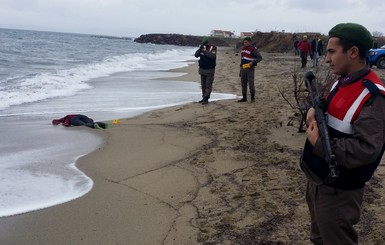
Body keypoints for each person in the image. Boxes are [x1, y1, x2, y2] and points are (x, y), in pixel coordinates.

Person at [301, 23, 385, 244]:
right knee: (319, 238)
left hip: (339, 192)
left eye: (331, 51)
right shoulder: (342, 81)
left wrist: (319, 143)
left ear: (353, 52)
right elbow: (331, 112)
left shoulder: (374, 97)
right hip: (319, 180)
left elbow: (367, 149)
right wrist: (312, 109)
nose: (327, 58)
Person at [238, 36, 263, 103]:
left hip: (250, 68)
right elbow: (242, 59)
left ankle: (252, 98)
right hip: (243, 68)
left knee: (251, 83)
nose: (244, 43)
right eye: (244, 42)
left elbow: (260, 58)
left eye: (246, 42)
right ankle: (244, 98)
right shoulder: (243, 49)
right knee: (243, 83)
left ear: (249, 42)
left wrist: (253, 62)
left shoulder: (253, 49)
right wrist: (241, 68)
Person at [194, 36, 217, 105]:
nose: (204, 44)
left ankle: (206, 98)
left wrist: (205, 51)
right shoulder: (201, 48)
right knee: (203, 85)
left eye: (205, 43)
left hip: (210, 69)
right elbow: (196, 55)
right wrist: (200, 49)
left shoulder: (213, 48)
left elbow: (213, 56)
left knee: (208, 85)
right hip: (202, 69)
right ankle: (204, 97)